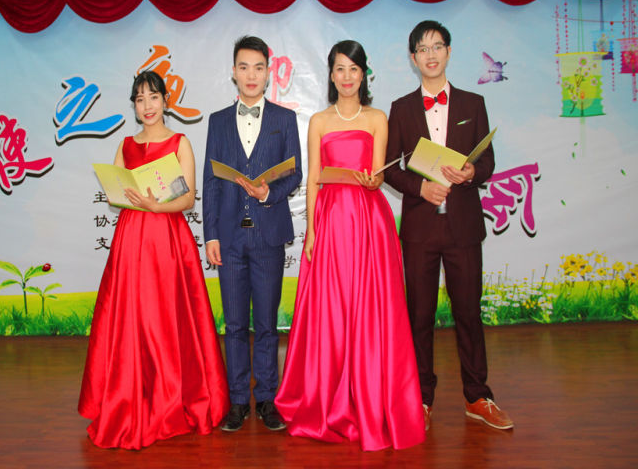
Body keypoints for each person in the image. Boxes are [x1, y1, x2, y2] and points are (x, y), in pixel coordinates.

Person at [275, 40, 425, 451]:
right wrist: (311, 231)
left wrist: (375, 180)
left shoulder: (377, 118)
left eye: (353, 69)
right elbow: (313, 179)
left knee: (370, 308)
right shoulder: (319, 121)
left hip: (368, 220)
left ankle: (371, 399)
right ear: (331, 74)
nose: (346, 77)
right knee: (333, 309)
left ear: (363, 74)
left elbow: (378, 173)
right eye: (339, 69)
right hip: (330, 220)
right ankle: (328, 399)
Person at [78, 71, 230, 450]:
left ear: (165, 101)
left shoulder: (180, 143)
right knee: (130, 316)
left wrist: (155, 204)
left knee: (166, 316)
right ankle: (129, 397)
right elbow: (115, 192)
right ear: (134, 105)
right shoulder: (126, 144)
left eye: (153, 97)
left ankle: (172, 398)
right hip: (131, 238)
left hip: (167, 239)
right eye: (139, 99)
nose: (147, 106)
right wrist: (123, 195)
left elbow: (188, 198)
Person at [384, 20, 514, 431]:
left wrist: (473, 171)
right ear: (413, 58)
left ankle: (477, 396)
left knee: (469, 313)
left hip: (463, 227)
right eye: (422, 49)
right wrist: (421, 188)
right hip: (421, 230)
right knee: (419, 316)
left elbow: (488, 162)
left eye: (437, 46)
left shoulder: (474, 103)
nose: (431, 55)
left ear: (449, 52)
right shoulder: (401, 108)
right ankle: (421, 398)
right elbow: (390, 168)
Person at [202, 35, 302, 432]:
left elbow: (294, 174)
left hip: (268, 236)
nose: (251, 75)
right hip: (229, 237)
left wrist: (268, 193)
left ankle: (268, 400)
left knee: (266, 323)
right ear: (233, 72)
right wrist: (211, 235)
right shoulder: (217, 121)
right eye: (243, 67)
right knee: (234, 325)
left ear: (268, 72)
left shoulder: (283, 120)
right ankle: (238, 400)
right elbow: (211, 182)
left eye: (258, 67)